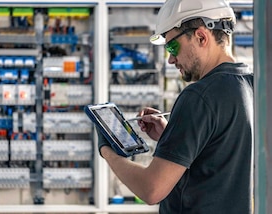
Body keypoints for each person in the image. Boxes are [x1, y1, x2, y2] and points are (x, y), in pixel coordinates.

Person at [97, 0, 254, 213]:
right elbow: (220, 158)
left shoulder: (198, 97)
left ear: (201, 37)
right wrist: (170, 137)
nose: (171, 59)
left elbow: (151, 189)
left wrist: (108, 151)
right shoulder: (252, 85)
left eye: (172, 46)